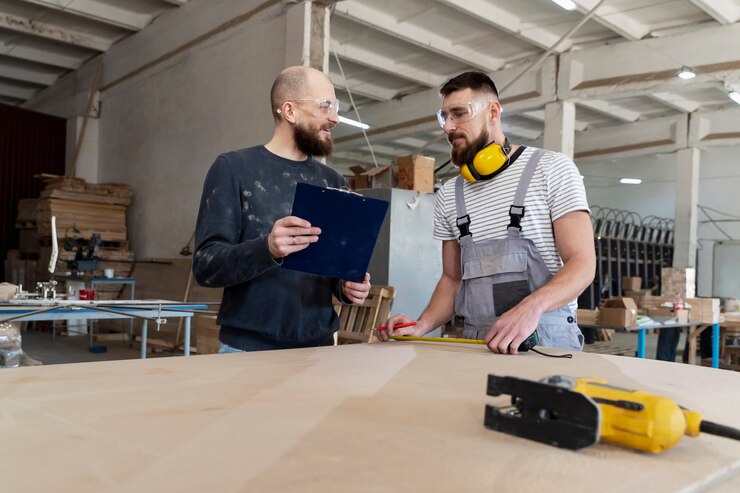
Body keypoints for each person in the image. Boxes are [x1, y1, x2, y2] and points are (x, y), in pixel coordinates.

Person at [378, 71, 595, 354]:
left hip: (545, 341)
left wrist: (531, 308)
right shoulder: (449, 194)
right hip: (477, 343)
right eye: (445, 117)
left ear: (493, 111)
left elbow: (582, 263)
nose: (449, 127)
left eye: (459, 113)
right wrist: (422, 324)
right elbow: (452, 280)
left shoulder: (551, 169)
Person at [193, 66, 371, 352]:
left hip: (319, 349)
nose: (335, 118)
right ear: (289, 111)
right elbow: (205, 266)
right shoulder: (233, 169)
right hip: (247, 351)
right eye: (325, 106)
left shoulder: (334, 182)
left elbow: (334, 270)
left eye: (335, 107)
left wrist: (347, 287)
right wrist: (267, 249)